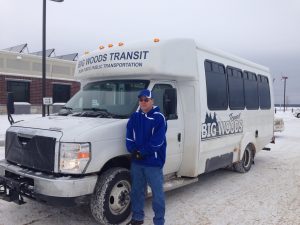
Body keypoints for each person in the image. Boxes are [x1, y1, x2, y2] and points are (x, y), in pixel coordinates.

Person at [126, 89, 167, 225]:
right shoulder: (134, 117)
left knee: (157, 194)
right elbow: (129, 137)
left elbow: (157, 142)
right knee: (137, 191)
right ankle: (137, 218)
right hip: (137, 162)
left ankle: (159, 221)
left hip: (153, 162)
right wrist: (132, 150)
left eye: (146, 99)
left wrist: (141, 152)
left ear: (152, 101)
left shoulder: (159, 118)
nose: (143, 102)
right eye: (141, 99)